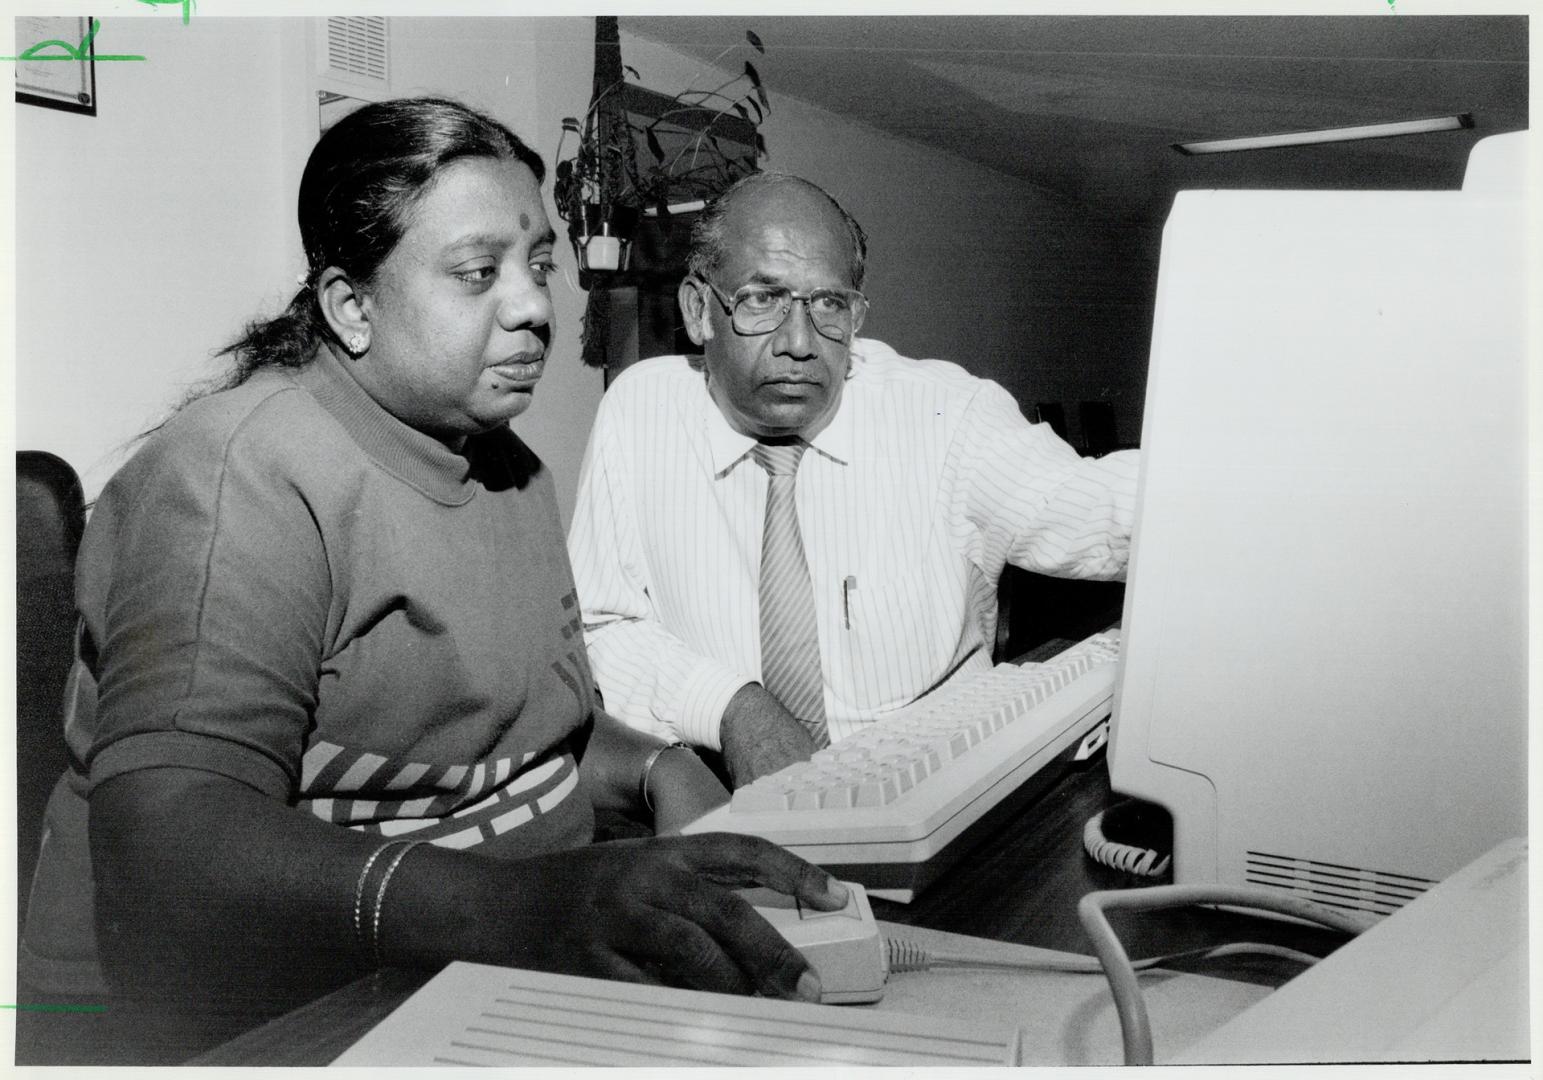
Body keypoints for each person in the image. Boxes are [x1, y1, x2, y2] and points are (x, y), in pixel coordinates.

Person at [17, 100, 845, 1066]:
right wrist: (524, 907)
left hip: (470, 970)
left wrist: (665, 768)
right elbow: (170, 845)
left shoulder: (507, 466)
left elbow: (517, 736)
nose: (535, 304)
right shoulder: (237, 473)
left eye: (538, 264)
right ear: (350, 307)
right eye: (475, 272)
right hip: (250, 1022)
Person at [567, 171, 1139, 788]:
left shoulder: (948, 416)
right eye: (762, 300)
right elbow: (605, 623)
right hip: (727, 796)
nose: (799, 343)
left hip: (941, 790)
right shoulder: (640, 414)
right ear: (698, 309)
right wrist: (731, 707)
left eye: (828, 305)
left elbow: (1103, 513)